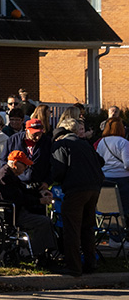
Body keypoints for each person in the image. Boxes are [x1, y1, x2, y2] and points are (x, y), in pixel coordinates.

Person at [50, 115, 106, 274]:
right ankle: (91, 263)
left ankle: (73, 266)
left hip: (75, 188)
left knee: (72, 228)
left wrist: (55, 179)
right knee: (88, 227)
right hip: (93, 187)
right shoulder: (85, 144)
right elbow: (100, 162)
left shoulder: (61, 144)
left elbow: (58, 171)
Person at [0, 150, 60, 268]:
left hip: (16, 210)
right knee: (43, 221)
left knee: (44, 217)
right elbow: (18, 199)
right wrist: (38, 201)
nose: (26, 168)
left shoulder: (10, 175)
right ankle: (40, 255)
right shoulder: (4, 178)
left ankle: (45, 252)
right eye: (24, 165)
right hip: (11, 214)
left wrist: (40, 193)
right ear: (15, 164)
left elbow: (23, 190)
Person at [96, 118, 129, 211]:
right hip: (123, 177)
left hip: (106, 177)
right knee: (124, 208)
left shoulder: (102, 142)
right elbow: (127, 164)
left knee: (109, 208)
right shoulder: (123, 142)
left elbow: (98, 160)